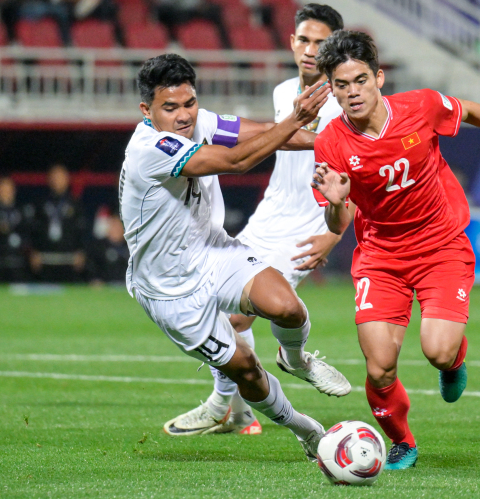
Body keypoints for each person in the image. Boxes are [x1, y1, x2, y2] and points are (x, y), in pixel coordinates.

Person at [311, 31, 480, 470]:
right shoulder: (331, 142)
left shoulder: (420, 107)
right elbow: (337, 222)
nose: (352, 92)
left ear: (379, 78)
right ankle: (403, 442)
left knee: (438, 351)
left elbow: (469, 111)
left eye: (360, 80)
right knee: (379, 367)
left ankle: (454, 362)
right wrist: (335, 204)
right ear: (331, 89)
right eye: (342, 84)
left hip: (440, 246)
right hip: (381, 255)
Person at [120, 53, 344, 460]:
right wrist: (297, 119)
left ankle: (295, 360)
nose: (184, 115)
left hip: (212, 251)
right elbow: (237, 160)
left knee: (287, 308)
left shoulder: (201, 122)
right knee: (246, 370)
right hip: (171, 290)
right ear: (146, 111)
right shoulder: (150, 149)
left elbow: (270, 133)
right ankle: (305, 428)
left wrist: (337, 141)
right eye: (170, 108)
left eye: (189, 103)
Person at [164, 4, 349, 437]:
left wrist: (333, 234)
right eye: (303, 39)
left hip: (307, 225)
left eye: (320, 42)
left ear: (334, 47)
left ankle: (283, 367)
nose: (309, 50)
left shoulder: (346, 102)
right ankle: (238, 412)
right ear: (291, 42)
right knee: (216, 310)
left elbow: (357, 174)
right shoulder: (285, 92)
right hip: (267, 216)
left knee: (240, 319)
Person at [30, 165, 87, 282]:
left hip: (69, 260)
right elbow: (34, 230)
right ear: (49, 180)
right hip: (45, 260)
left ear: (67, 179)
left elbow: (81, 231)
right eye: (54, 177)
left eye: (60, 177)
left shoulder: (75, 204)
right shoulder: (41, 204)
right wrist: (33, 251)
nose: (57, 180)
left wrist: (81, 251)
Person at [1, 0, 72, 44]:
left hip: (41, 7)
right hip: (22, 7)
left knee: (61, 10)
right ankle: (13, 41)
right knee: (7, 10)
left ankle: (67, 43)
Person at [0, 177, 34, 282]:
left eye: (8, 189)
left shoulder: (22, 210)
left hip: (18, 264)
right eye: (2, 188)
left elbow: (28, 235)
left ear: (13, 190)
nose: (5, 192)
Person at [87, 213, 130, 284]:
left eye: (118, 227)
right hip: (105, 287)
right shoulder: (99, 247)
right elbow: (93, 268)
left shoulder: (131, 247)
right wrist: (96, 279)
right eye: (113, 226)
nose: (116, 230)